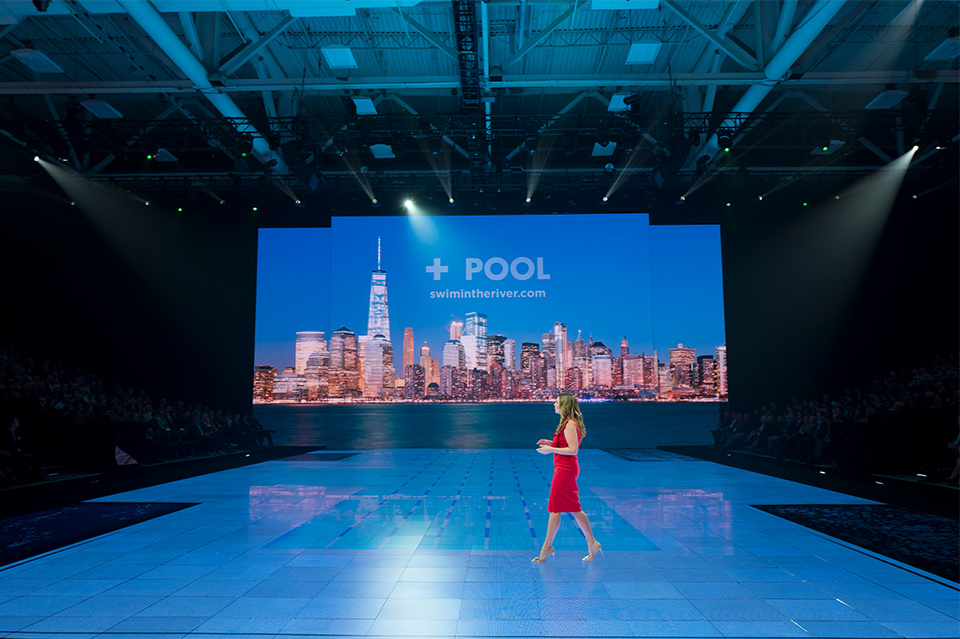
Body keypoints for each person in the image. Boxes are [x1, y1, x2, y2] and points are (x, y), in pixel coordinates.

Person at [532, 393, 602, 563]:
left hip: (565, 469)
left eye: (557, 402)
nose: (554, 404)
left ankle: (546, 548)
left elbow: (573, 449)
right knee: (574, 508)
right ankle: (592, 543)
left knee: (555, 508)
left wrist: (551, 450)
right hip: (563, 467)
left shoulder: (570, 423)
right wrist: (551, 443)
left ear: (564, 405)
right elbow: (566, 445)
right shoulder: (566, 423)